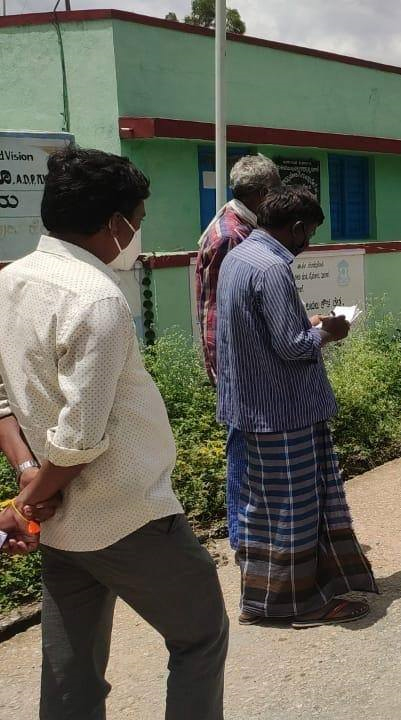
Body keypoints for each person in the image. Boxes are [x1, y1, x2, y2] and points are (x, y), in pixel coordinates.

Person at [0, 146, 228, 719]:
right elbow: (81, 437)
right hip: (127, 515)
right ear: (114, 223)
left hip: (61, 526)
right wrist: (30, 500)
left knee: (71, 670)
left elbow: (5, 400)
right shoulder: (96, 298)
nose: (137, 238)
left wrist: (29, 483)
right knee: (200, 634)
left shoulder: (9, 283)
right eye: (139, 222)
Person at [216, 186, 377, 628]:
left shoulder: (239, 258)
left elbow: (258, 331)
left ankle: (261, 598)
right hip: (282, 412)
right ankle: (297, 604)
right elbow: (290, 348)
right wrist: (330, 333)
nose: (308, 244)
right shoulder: (272, 269)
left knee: (262, 508)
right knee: (295, 510)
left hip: (251, 408)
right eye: (309, 235)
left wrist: (308, 325)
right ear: (299, 227)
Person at [194, 154, 281, 551]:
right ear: (264, 194)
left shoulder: (238, 225)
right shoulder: (234, 235)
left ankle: (253, 531)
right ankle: (244, 536)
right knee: (244, 451)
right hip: (236, 360)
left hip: (236, 356)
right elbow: (234, 308)